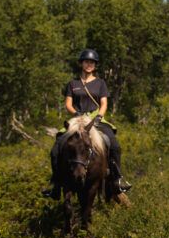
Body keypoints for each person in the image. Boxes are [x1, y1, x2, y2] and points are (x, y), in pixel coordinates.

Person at [41, 48, 132, 198]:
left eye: (92, 62)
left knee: (114, 145)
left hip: (96, 119)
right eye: (86, 61)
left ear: (95, 66)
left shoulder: (100, 83)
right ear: (81, 64)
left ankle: (117, 179)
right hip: (77, 120)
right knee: (57, 146)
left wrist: (99, 116)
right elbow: (68, 104)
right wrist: (75, 113)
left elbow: (104, 103)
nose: (89, 64)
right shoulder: (73, 83)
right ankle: (55, 183)